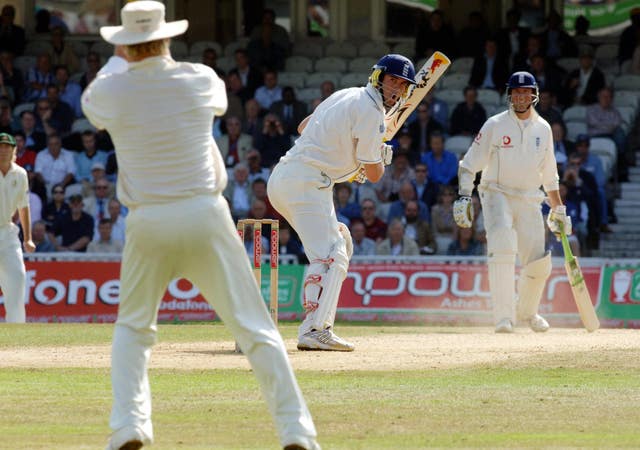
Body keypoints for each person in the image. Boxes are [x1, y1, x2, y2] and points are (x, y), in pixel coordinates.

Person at [81, 3, 319, 449]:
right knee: (255, 327)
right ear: (168, 38)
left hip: (148, 218)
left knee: (133, 329)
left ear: (125, 46)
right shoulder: (201, 78)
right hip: (203, 212)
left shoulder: (112, 89)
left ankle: (130, 426)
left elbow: (93, 99)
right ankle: (297, 433)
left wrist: (120, 56)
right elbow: (211, 102)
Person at [268, 53, 414, 351]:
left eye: (402, 84)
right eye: (392, 80)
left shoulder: (345, 94)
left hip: (287, 178)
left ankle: (315, 325)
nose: (396, 88)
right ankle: (315, 329)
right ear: (379, 77)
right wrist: (380, 157)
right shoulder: (372, 113)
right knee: (332, 254)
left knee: (339, 243)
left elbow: (304, 127)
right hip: (307, 184)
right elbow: (374, 176)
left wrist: (352, 159)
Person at [453, 71, 571, 333]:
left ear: (533, 95)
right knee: (503, 245)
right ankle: (503, 318)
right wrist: (463, 194)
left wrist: (558, 209)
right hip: (496, 193)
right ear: (510, 95)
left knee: (539, 261)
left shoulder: (544, 129)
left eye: (525, 92)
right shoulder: (495, 125)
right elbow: (470, 163)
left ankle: (527, 313)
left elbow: (550, 175)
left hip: (530, 197)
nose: (520, 97)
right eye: (516, 92)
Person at [0, 132, 34, 322]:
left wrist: (28, 238)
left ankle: (17, 335)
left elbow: (23, 205)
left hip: (7, 232)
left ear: (14, 150)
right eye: (0, 146)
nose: (3, 150)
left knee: (17, 279)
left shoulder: (20, 174)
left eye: (7, 147)